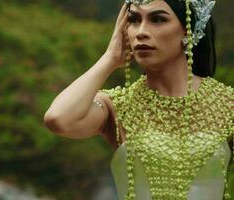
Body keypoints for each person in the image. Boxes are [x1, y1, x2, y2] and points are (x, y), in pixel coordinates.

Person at [44, 0, 233, 199]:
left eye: (158, 19)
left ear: (188, 31)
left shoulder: (227, 104)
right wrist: (110, 58)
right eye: (134, 20)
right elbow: (59, 119)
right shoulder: (116, 106)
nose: (141, 31)